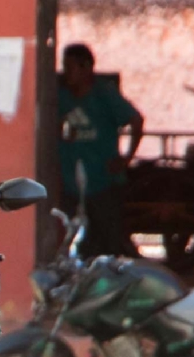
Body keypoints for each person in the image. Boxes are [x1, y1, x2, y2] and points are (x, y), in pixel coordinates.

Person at [58, 43, 143, 258]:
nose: (66, 72)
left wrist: (126, 158)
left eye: (71, 67)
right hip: (71, 183)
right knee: (73, 238)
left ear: (86, 68)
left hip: (103, 181)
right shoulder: (61, 96)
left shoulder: (104, 94)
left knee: (112, 238)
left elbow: (135, 119)